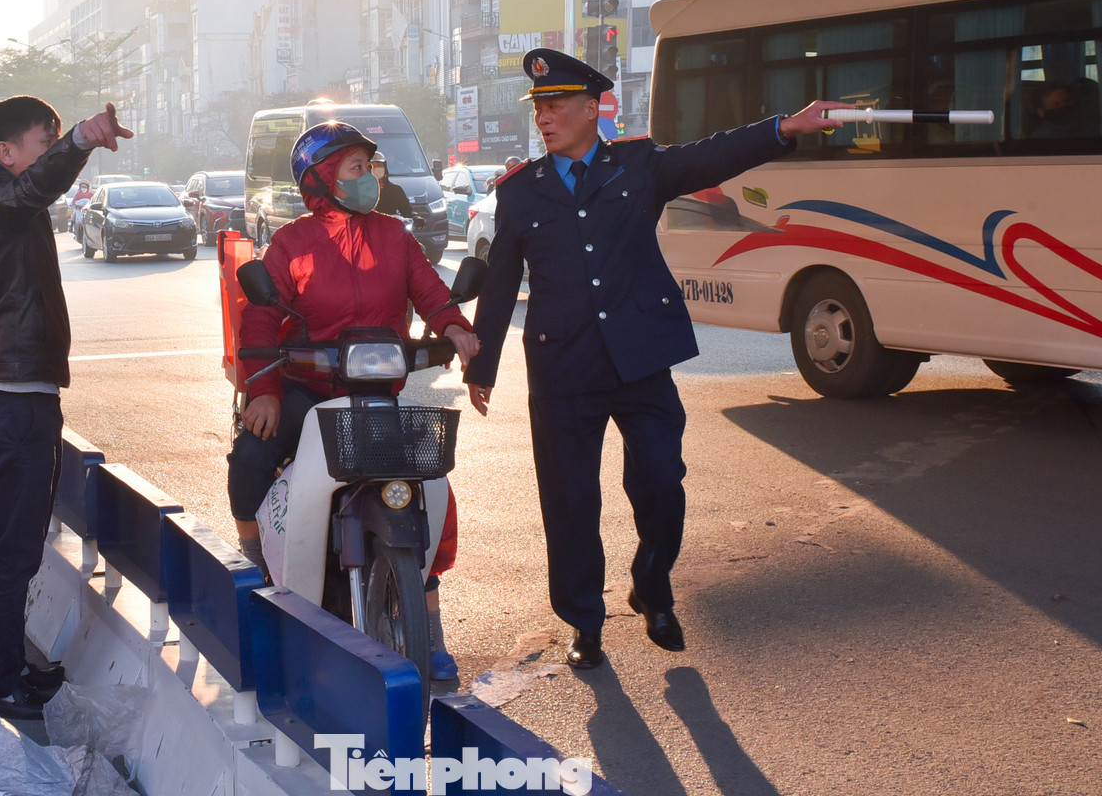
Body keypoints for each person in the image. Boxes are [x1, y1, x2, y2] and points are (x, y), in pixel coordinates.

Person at [463, 48, 848, 670]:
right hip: (563, 371)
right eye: (539, 106)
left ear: (594, 109)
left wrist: (788, 126)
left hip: (641, 359)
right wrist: (481, 368)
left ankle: (651, 581)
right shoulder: (521, 193)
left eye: (557, 104)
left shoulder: (639, 165)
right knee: (569, 501)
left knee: (663, 484)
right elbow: (502, 282)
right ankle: (585, 622)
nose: (545, 116)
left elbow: (714, 153)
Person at [228, 121, 480, 681]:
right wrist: (264, 391)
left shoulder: (396, 236)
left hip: (376, 394)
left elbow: (432, 293)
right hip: (305, 388)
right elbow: (262, 316)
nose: (370, 178)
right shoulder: (292, 243)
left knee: (432, 488)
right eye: (357, 169)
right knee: (251, 453)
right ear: (321, 179)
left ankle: (430, 629)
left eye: (371, 168)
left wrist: (456, 328)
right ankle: (251, 557)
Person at [0, 95, 133, 719]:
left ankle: (7, 670)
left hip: (17, 397)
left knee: (16, 550)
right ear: (6, 154)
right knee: (13, 556)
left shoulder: (4, 208)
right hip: (10, 402)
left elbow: (33, 193)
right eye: (42, 141)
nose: (49, 153)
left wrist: (70, 147)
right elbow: (30, 192)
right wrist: (80, 138)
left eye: (56, 140)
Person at [372, 151, 414, 221]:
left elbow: (406, 209)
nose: (376, 169)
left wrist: (415, 216)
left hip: (391, 228)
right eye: (373, 166)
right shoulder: (362, 191)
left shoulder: (395, 190)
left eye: (379, 165)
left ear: (385, 168)